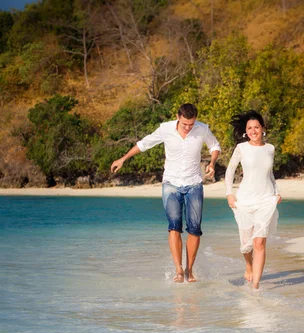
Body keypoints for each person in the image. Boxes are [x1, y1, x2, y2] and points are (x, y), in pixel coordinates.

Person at [110, 103, 221, 283]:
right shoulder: (165, 129)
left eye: (191, 124)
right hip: (171, 184)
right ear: (178, 117)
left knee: (194, 229)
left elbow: (214, 146)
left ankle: (189, 270)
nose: (188, 128)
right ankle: (178, 270)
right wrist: (123, 159)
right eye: (185, 124)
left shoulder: (202, 129)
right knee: (174, 226)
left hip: (194, 183)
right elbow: (144, 144)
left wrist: (212, 163)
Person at [225, 110, 282, 290]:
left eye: (256, 127)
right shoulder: (242, 148)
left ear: (263, 128)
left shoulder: (270, 148)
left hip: (266, 200)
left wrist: (277, 192)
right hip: (244, 200)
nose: (253, 130)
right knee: (246, 244)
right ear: (246, 130)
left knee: (259, 242)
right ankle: (248, 265)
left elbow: (270, 174)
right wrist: (229, 193)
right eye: (249, 128)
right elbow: (230, 171)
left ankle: (255, 286)